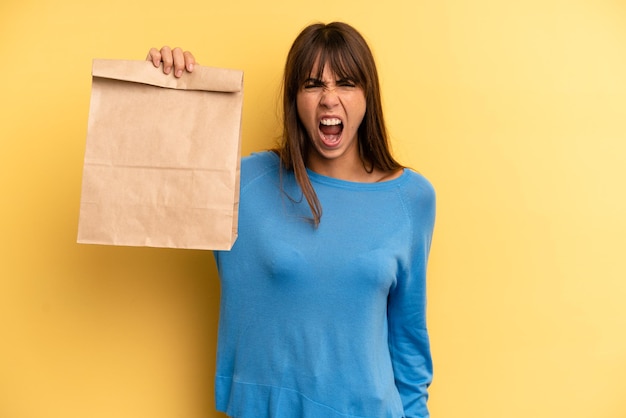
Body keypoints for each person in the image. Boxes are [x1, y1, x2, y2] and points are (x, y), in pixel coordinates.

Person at [147, 21, 436, 418]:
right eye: (312, 84)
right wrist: (165, 90)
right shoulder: (244, 185)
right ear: (294, 99)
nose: (329, 99)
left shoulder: (411, 199)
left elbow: (409, 343)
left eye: (347, 83)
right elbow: (151, 182)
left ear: (368, 96)